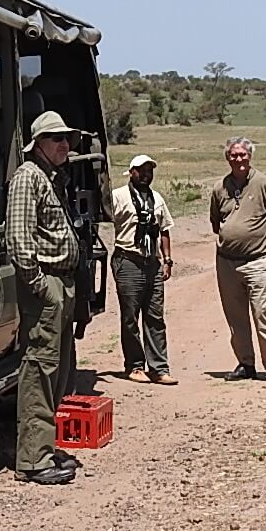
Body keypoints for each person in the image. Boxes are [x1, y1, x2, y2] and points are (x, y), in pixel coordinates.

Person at [4, 110, 84, 485]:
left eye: (66, 137)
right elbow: (19, 239)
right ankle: (33, 460)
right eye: (56, 138)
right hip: (46, 283)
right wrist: (40, 286)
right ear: (38, 144)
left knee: (58, 368)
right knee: (39, 367)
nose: (64, 144)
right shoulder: (28, 177)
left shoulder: (52, 178)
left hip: (61, 282)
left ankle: (45, 447)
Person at [209, 136, 266, 382]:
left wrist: (261, 241)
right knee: (235, 316)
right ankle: (246, 363)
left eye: (242, 154)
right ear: (227, 157)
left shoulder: (265, 183)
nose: (238, 159)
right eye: (234, 155)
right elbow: (216, 223)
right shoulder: (219, 187)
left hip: (257, 261)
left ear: (250, 156)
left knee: (262, 312)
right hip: (226, 262)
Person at [109, 154, 178, 385]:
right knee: (130, 317)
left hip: (152, 262)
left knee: (155, 317)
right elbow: (105, 217)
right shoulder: (118, 196)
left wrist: (167, 260)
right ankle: (135, 366)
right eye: (142, 170)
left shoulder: (156, 198)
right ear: (131, 172)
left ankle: (159, 368)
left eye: (150, 170)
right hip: (128, 260)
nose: (146, 175)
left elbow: (165, 229)